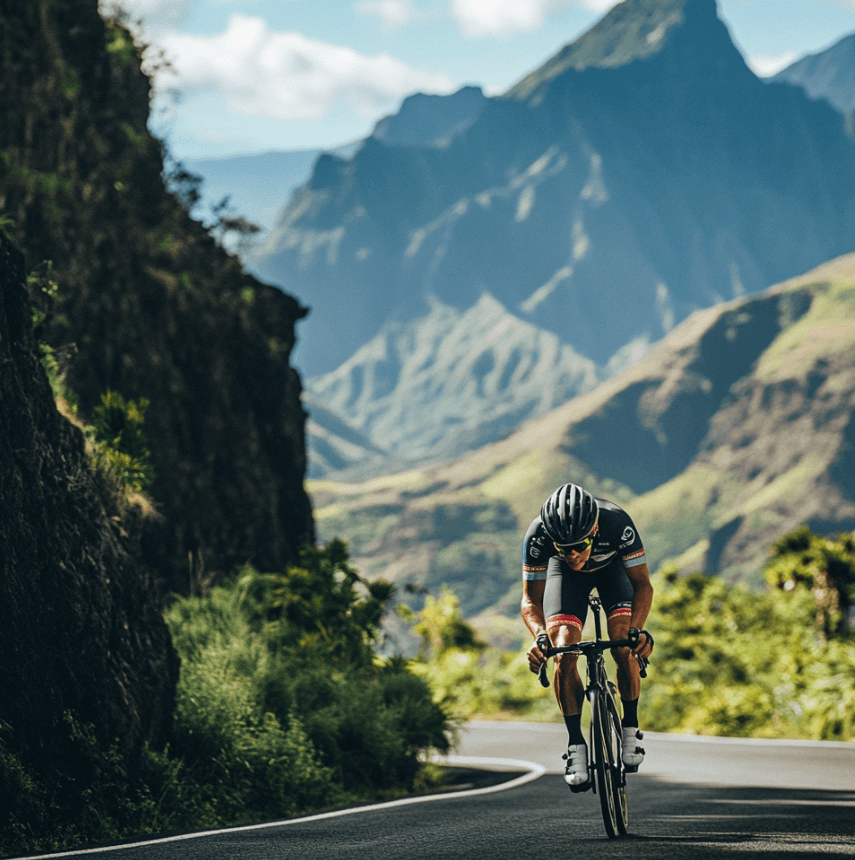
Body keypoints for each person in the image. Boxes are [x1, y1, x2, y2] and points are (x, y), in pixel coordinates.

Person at [520, 482, 654, 789]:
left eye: (579, 545)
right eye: (563, 548)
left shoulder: (617, 524)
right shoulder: (540, 535)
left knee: (622, 642)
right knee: (563, 649)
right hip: (564, 580)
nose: (572, 554)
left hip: (612, 572)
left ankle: (630, 727)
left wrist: (637, 631)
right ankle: (576, 746)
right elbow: (530, 601)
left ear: (594, 531)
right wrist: (541, 638)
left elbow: (643, 586)